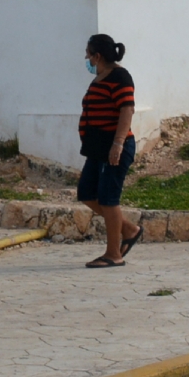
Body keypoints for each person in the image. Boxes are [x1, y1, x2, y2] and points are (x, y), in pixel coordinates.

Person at [76, 33, 141, 267]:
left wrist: (118, 143)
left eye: (88, 54)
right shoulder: (100, 77)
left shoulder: (120, 76)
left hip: (114, 146)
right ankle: (129, 229)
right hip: (96, 148)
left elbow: (126, 110)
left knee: (108, 198)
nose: (86, 58)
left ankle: (113, 254)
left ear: (97, 55)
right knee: (86, 193)